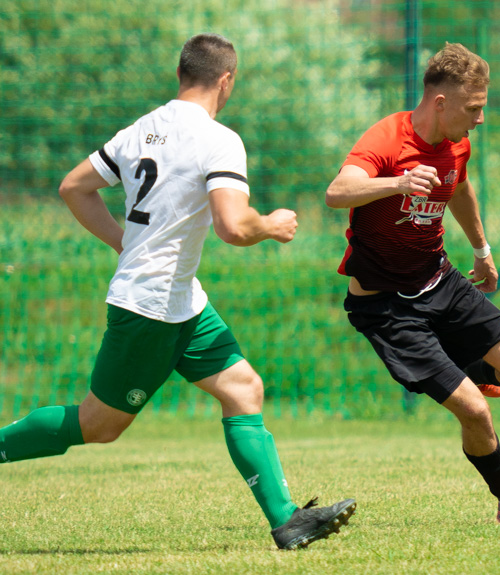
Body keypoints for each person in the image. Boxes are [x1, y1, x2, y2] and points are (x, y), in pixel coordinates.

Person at [0, 33, 355, 550]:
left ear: (181, 75)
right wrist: (273, 225)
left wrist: (125, 242)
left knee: (242, 388)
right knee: (98, 424)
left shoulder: (142, 129)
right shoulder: (218, 139)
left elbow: (72, 187)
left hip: (181, 299)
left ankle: (287, 521)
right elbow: (233, 226)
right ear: (226, 80)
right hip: (151, 306)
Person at [325, 42, 500, 526]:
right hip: (387, 308)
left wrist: (483, 250)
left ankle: (475, 368)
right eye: (474, 108)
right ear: (441, 102)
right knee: (475, 413)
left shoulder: (457, 143)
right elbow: (337, 192)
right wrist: (396, 183)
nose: (481, 119)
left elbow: (461, 188)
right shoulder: (388, 139)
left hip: (440, 282)